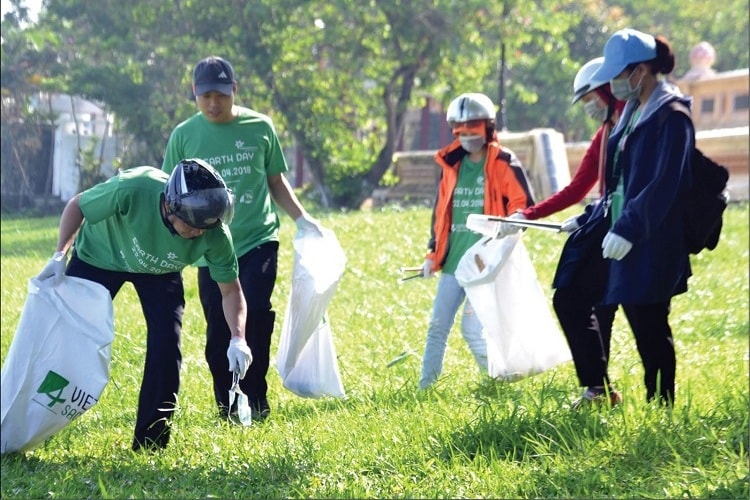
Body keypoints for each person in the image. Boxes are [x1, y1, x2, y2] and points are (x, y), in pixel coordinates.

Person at [35, 159, 253, 451]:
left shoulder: (213, 232)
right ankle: (36, 419)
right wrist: (60, 253)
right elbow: (79, 205)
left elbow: (230, 292)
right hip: (100, 256)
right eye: (192, 224)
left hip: (160, 272)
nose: (200, 233)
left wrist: (238, 338)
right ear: (169, 207)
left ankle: (151, 442)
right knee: (66, 338)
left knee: (166, 346)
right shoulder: (133, 189)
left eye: (207, 224)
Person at [162, 56, 324, 421]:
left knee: (256, 315)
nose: (213, 103)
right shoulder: (184, 136)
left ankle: (256, 399)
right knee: (219, 327)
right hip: (209, 246)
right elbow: (168, 191)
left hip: (258, 238)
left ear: (234, 90)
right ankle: (229, 406)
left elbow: (275, 181)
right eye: (205, 97)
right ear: (194, 94)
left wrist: (303, 218)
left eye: (221, 95)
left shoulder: (260, 127)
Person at [515, 58, 627, 408]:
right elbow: (578, 188)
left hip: (631, 228)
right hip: (605, 223)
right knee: (584, 302)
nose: (590, 107)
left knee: (578, 300)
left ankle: (604, 390)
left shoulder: (638, 124)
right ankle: (599, 389)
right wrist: (528, 214)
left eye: (592, 98)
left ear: (609, 90)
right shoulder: (606, 132)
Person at [590, 28, 694, 405]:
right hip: (623, 234)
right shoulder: (632, 112)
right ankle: (639, 397)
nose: (616, 82)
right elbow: (619, 177)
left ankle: (662, 404)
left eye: (622, 73)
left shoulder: (673, 116)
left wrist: (630, 227)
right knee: (634, 317)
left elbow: (664, 183)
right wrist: (596, 216)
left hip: (653, 239)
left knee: (651, 325)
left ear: (643, 70)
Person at [418, 92, 535, 389]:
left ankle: (501, 378)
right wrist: (433, 255)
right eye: (460, 128)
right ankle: (425, 388)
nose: (467, 134)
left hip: (484, 265)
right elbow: (441, 214)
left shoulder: (504, 162)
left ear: (488, 126)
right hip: (452, 264)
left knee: (471, 330)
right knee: (437, 327)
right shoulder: (451, 166)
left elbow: (524, 206)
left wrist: (514, 222)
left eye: (473, 127)